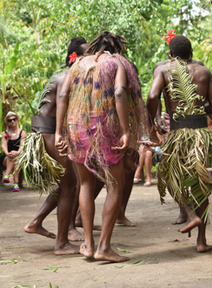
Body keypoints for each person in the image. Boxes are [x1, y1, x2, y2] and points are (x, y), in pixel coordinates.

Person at [55, 31, 146, 262]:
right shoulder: (116, 63)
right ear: (117, 49)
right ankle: (104, 247)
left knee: (85, 184)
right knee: (114, 186)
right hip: (105, 126)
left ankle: (88, 244)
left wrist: (58, 131)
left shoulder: (76, 64)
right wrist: (125, 130)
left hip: (77, 127)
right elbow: (119, 93)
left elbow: (63, 94)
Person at [147, 34, 212, 253]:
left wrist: (151, 120)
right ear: (191, 54)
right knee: (202, 184)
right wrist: (199, 110)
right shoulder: (204, 72)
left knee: (169, 174)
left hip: (178, 133)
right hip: (202, 134)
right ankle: (201, 241)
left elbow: (153, 96)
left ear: (171, 54)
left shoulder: (164, 71)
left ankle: (190, 213)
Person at [23, 37, 89, 255]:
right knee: (70, 186)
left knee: (65, 185)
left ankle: (35, 222)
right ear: (76, 57)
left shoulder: (62, 74)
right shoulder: (70, 74)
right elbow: (62, 98)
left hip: (46, 131)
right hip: (50, 132)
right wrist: (60, 133)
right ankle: (61, 244)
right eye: (87, 53)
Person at [1, 112, 26, 191]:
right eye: (10, 120)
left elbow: (22, 145)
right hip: (7, 157)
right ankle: (16, 184)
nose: (12, 121)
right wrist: (8, 154)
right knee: (12, 156)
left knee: (16, 158)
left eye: (14, 119)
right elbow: (4, 145)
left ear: (17, 120)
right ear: (7, 122)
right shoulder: (5, 133)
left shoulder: (22, 132)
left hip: (19, 157)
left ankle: (7, 175)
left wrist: (17, 152)